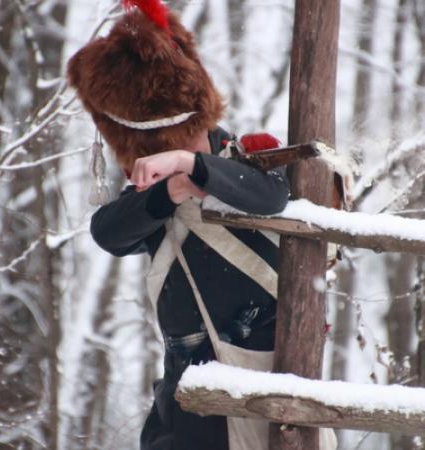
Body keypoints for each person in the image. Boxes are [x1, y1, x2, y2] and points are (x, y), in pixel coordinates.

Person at [67, 1, 289, 449]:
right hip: (186, 380)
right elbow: (108, 233)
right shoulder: (157, 195)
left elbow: (271, 196)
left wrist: (192, 164)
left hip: (257, 369)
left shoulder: (245, 160)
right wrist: (169, 192)